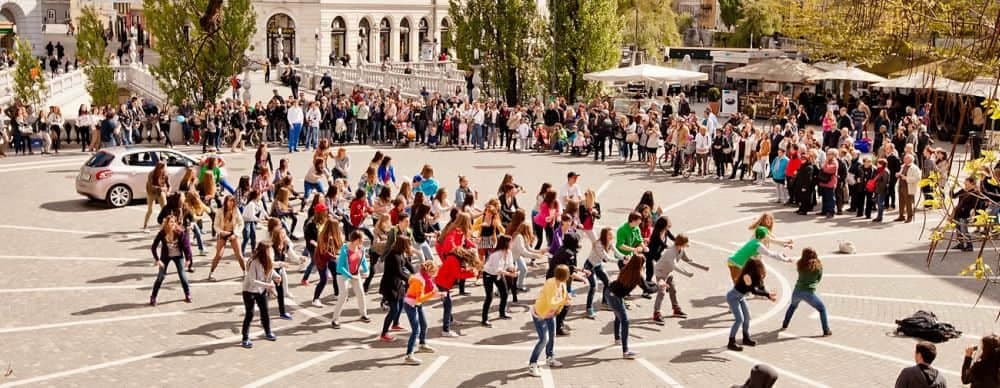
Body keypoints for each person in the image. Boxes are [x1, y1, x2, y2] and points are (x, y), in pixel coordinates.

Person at [607, 254, 657, 359]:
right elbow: (647, 289)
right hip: (615, 297)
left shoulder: (627, 268)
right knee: (625, 321)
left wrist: (655, 284)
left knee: (618, 316)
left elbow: (646, 283)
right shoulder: (637, 275)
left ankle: (617, 339)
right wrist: (659, 286)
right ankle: (625, 351)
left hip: (609, 292)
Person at [527, 264, 571, 378]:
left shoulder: (562, 283)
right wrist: (563, 303)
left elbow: (564, 297)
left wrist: (561, 306)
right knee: (543, 339)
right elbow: (552, 302)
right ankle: (532, 365)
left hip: (551, 314)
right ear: (564, 275)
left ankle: (550, 358)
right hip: (540, 314)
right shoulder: (550, 284)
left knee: (552, 335)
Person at [726, 259, 777, 351]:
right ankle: (731, 342)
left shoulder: (756, 275)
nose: (761, 269)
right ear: (753, 268)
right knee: (739, 320)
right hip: (733, 297)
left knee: (747, 318)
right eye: (759, 267)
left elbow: (761, 287)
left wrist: (769, 295)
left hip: (740, 297)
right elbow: (754, 291)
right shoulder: (747, 276)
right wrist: (767, 295)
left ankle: (746, 338)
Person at [780, 248, 831, 336]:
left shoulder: (800, 264)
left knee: (792, 306)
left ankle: (785, 324)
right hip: (808, 293)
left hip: (797, 291)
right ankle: (826, 330)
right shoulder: (818, 266)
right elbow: (818, 279)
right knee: (822, 309)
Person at [240, 242, 281, 348]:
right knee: (250, 314)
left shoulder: (268, 260)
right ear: (264, 252)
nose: (272, 251)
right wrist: (268, 285)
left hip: (261, 290)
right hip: (249, 291)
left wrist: (276, 276)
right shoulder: (254, 262)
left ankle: (268, 332)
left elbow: (270, 271)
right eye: (269, 250)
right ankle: (245, 338)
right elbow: (253, 281)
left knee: (265, 311)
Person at [652, 234, 702, 321]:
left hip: (668, 272)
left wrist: (700, 266)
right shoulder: (670, 252)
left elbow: (687, 259)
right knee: (662, 292)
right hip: (660, 273)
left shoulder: (681, 249)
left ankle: (676, 309)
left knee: (673, 290)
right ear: (682, 243)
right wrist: (686, 273)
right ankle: (656, 313)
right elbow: (675, 266)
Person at [379, 234, 416, 342]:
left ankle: (395, 324)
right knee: (394, 309)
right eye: (408, 244)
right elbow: (399, 272)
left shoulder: (400, 253)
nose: (409, 246)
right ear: (403, 245)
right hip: (390, 286)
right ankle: (384, 333)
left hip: (398, 284)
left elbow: (408, 264)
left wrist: (415, 274)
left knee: (400, 305)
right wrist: (411, 279)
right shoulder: (393, 256)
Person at [330, 231, 371, 328]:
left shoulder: (361, 249)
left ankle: (363, 314)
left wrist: (367, 270)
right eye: (362, 239)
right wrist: (350, 276)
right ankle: (335, 320)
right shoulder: (345, 249)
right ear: (356, 240)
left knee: (361, 293)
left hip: (355, 274)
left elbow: (363, 260)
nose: (363, 241)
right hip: (343, 275)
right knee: (343, 296)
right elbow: (340, 267)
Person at [149, 215, 193, 306]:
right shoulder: (162, 233)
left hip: (178, 256)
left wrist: (188, 259)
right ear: (167, 223)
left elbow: (187, 247)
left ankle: (187, 294)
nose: (172, 224)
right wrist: (157, 260)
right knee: (161, 277)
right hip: (165, 257)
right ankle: (153, 297)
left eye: (174, 222)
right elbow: (153, 247)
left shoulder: (180, 233)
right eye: (170, 222)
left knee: (182, 275)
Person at [402, 260, 439, 365]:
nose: (434, 275)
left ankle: (422, 345)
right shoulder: (420, 281)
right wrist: (432, 294)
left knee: (424, 324)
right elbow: (419, 299)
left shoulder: (422, 277)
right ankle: (409, 355)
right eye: (433, 272)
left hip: (415, 304)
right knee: (416, 330)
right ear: (429, 271)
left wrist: (435, 293)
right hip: (411, 305)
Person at [208, 195, 246, 281]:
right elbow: (216, 225)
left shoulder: (236, 211)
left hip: (233, 233)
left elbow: (241, 223)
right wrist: (221, 232)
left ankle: (245, 272)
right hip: (223, 233)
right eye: (229, 201)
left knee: (239, 254)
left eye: (233, 201)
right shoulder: (220, 211)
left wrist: (236, 234)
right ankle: (211, 274)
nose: (231, 203)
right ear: (226, 202)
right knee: (219, 255)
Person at [481, 235, 516, 326]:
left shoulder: (509, 252)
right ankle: (484, 319)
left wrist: (513, 269)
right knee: (489, 297)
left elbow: (510, 264)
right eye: (511, 242)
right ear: (506, 243)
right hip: (489, 274)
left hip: (499, 274)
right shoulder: (496, 254)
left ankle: (502, 312)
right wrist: (510, 274)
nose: (512, 243)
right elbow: (498, 269)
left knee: (504, 293)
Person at [584, 227, 616, 318]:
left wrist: (624, 257)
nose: (611, 236)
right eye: (609, 234)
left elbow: (617, 253)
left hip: (598, 266)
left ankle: (605, 303)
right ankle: (589, 308)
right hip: (589, 266)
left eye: (612, 234)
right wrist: (620, 261)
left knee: (607, 283)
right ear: (604, 235)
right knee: (594, 286)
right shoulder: (599, 244)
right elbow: (606, 258)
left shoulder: (609, 243)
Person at [143, 161, 170, 231]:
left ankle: (167, 225)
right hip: (151, 192)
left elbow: (169, 185)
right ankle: (145, 225)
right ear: (158, 168)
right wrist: (161, 188)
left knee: (165, 209)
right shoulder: (151, 174)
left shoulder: (165, 174)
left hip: (160, 192)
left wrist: (168, 191)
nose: (164, 170)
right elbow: (150, 185)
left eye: (164, 168)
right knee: (150, 210)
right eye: (163, 168)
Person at [895, 154, 921, 223]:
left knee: (908, 203)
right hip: (901, 186)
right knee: (901, 202)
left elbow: (917, 178)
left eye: (906, 158)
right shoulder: (903, 166)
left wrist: (906, 178)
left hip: (908, 187)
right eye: (904, 158)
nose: (904, 159)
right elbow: (901, 173)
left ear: (910, 160)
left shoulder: (914, 168)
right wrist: (898, 174)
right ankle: (901, 216)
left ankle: (910, 217)